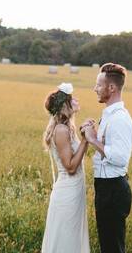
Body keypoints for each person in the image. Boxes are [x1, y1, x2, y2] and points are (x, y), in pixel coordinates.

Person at [81, 63, 132, 253]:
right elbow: (109, 146)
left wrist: (92, 139)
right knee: (108, 245)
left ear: (111, 88)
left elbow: (119, 157)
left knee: (113, 247)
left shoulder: (119, 118)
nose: (94, 88)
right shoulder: (109, 115)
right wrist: (94, 134)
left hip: (113, 189)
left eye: (98, 85)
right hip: (106, 187)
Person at [40, 82, 90, 253]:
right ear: (64, 105)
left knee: (72, 239)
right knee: (67, 241)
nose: (75, 100)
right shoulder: (61, 130)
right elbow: (70, 167)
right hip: (67, 194)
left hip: (74, 191)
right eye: (71, 98)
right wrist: (85, 140)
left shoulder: (67, 127)